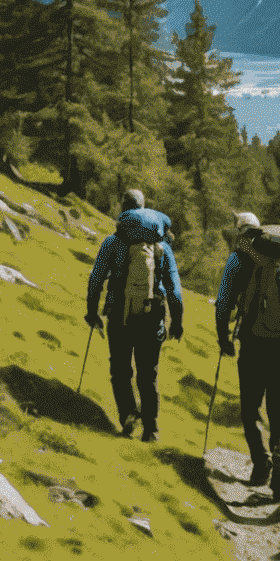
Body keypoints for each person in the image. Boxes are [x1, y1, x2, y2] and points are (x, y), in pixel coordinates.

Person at [215, 213, 280, 501]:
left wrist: (223, 336)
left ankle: (261, 464)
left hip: (254, 342)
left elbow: (224, 300)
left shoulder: (243, 257)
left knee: (250, 406)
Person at [85, 188, 184, 443]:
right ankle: (151, 430)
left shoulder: (113, 242)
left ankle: (128, 415)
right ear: (144, 208)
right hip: (153, 315)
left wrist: (91, 311)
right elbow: (174, 290)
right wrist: (177, 323)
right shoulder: (162, 248)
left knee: (120, 369)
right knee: (148, 374)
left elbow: (96, 279)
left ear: (123, 209)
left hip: (119, 314)